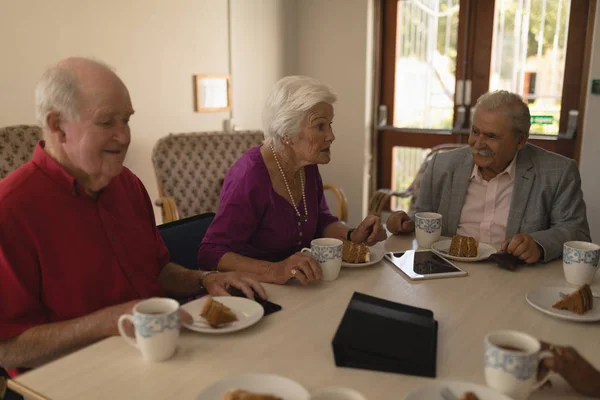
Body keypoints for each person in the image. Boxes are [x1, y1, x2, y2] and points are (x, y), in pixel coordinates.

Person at [0, 58, 265, 377]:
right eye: (107, 122)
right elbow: (8, 347)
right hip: (75, 380)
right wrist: (111, 322)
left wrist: (204, 278)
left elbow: (157, 270)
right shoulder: (11, 210)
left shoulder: (128, 184)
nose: (124, 136)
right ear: (57, 126)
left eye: (126, 120)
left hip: (161, 358)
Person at [198, 76, 387, 284]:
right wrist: (275, 270)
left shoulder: (305, 164)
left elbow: (322, 221)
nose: (331, 135)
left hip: (300, 286)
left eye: (330, 124)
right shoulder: (249, 177)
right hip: (255, 291)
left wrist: (353, 234)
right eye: (320, 126)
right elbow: (211, 252)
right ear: (287, 133)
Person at [387, 90, 590, 263]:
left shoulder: (558, 172)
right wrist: (405, 222)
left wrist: (538, 244)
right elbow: (424, 216)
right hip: (448, 266)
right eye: (475, 131)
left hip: (513, 274)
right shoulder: (442, 165)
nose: (478, 143)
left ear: (520, 141)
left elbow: (576, 231)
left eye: (491, 136)